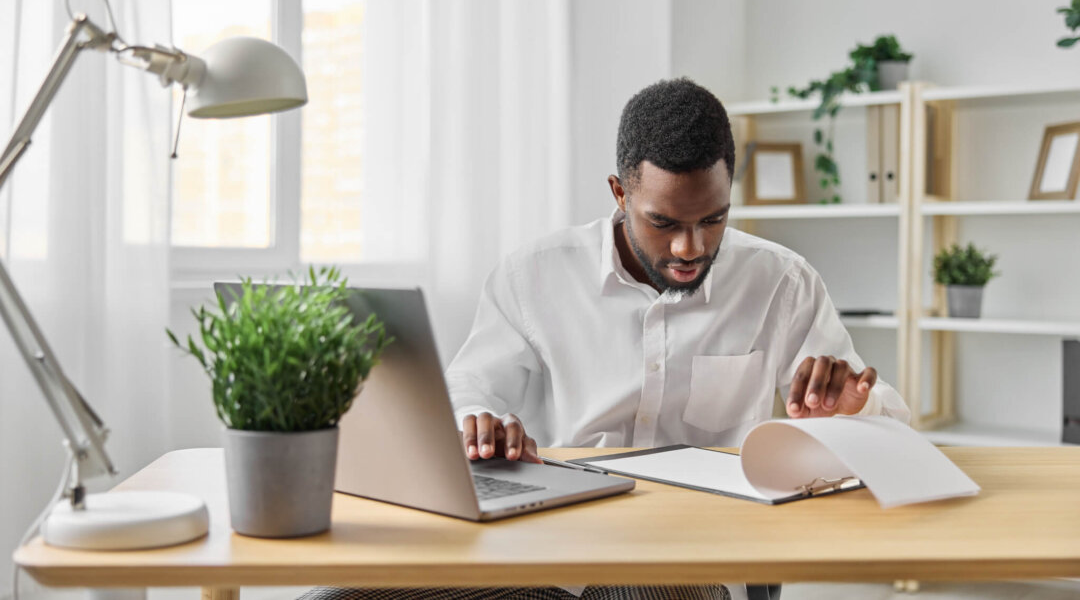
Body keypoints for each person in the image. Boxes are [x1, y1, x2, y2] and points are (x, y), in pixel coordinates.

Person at [300, 78, 910, 600]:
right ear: (620, 194)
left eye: (713, 219)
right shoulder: (533, 274)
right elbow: (470, 384)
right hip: (543, 548)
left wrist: (855, 413)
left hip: (685, 562)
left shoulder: (783, 283)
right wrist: (478, 419)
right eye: (664, 222)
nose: (690, 249)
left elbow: (892, 435)